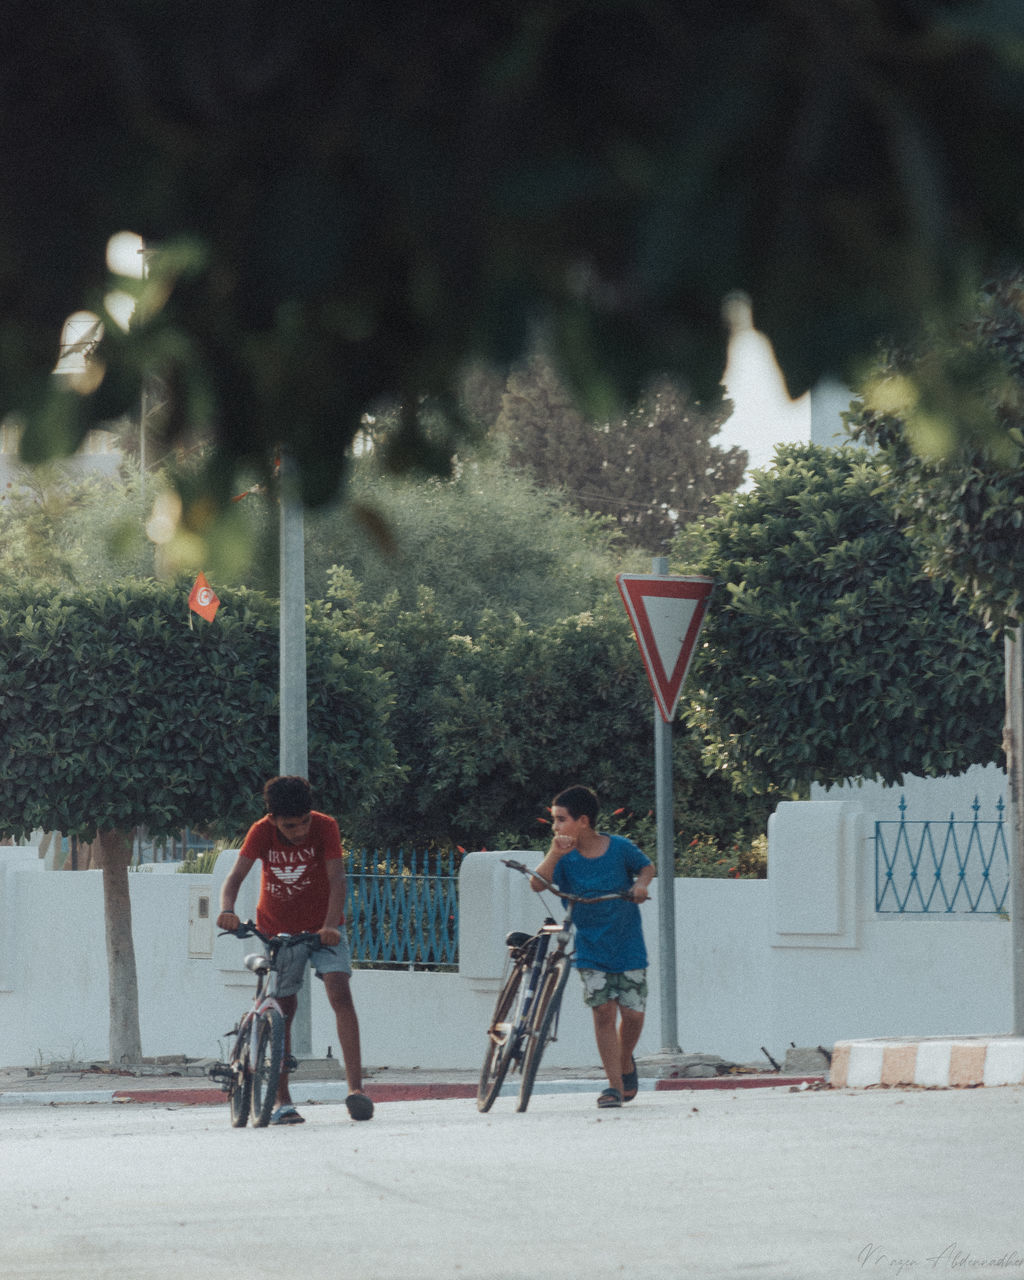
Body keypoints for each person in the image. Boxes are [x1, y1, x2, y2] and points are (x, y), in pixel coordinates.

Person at [216, 775, 374, 1124]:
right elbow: (235, 877)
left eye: (304, 822)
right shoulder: (260, 832)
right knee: (284, 1007)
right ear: (272, 819)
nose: (300, 831)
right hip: (279, 929)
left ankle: (356, 1090)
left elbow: (337, 879)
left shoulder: (325, 827)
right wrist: (227, 909)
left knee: (339, 990)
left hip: (323, 928)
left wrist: (331, 925)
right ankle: (282, 1100)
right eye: (290, 825)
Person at [530, 784, 654, 1109]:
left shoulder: (620, 848)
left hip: (628, 945)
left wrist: (640, 885)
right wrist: (555, 852)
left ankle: (625, 1060)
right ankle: (614, 1085)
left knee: (634, 1014)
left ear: (582, 821)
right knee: (603, 1013)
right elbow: (537, 883)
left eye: (561, 819)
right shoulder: (565, 857)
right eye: (554, 820)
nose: (556, 827)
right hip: (590, 947)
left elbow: (646, 866)